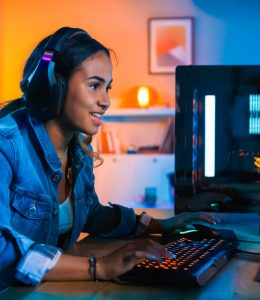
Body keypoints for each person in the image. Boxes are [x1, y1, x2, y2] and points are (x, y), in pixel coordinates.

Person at [0, 27, 219, 290]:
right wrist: (99, 267)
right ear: (52, 86)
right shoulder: (6, 147)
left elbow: (90, 214)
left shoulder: (77, 150)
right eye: (94, 85)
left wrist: (159, 225)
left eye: (107, 87)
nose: (105, 101)